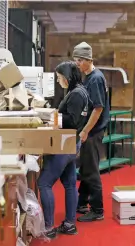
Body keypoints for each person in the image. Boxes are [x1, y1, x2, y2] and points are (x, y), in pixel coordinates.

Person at [37, 60, 91, 239]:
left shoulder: (75, 94)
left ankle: (48, 227)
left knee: (44, 183)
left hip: (64, 144)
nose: (58, 80)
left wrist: (52, 117)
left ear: (67, 77)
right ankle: (69, 224)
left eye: (60, 77)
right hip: (71, 143)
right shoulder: (81, 91)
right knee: (69, 184)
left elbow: (72, 120)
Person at [72, 42, 110, 222]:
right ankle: (82, 202)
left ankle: (97, 209)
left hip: (93, 131)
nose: (77, 63)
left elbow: (98, 109)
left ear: (88, 60)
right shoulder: (88, 76)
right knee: (87, 168)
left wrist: (85, 131)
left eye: (79, 60)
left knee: (91, 171)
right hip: (91, 130)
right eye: (75, 60)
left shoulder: (95, 78)